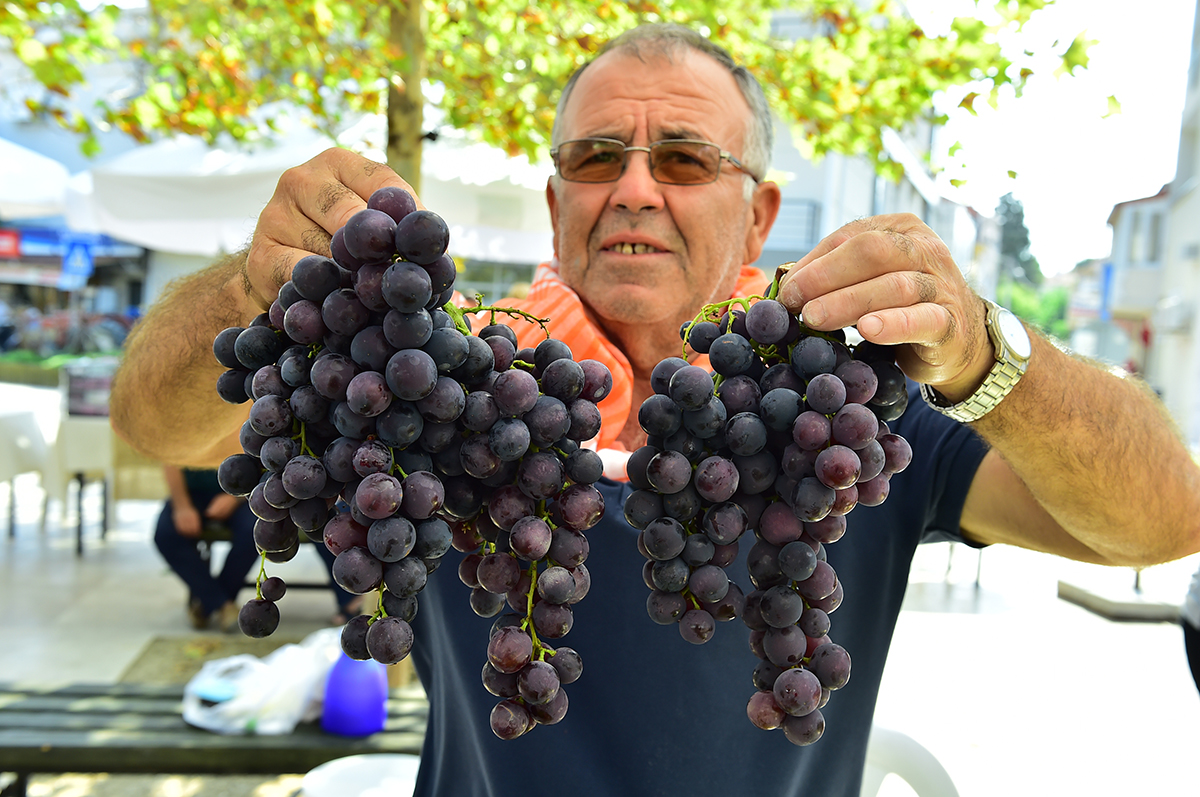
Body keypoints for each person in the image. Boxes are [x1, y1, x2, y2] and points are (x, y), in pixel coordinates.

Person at [109, 24, 1200, 797]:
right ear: (555, 199)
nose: (634, 187)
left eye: (684, 157)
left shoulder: (851, 413)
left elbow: (1161, 522)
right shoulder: (449, 393)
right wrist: (252, 286)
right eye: (595, 157)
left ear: (758, 208)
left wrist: (987, 351)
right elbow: (156, 429)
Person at [154, 465, 258, 632]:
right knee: (166, 535)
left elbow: (258, 462)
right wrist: (182, 506)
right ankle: (222, 604)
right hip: (191, 492)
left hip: (240, 492)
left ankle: (208, 603)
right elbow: (170, 461)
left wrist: (235, 497)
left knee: (254, 532)